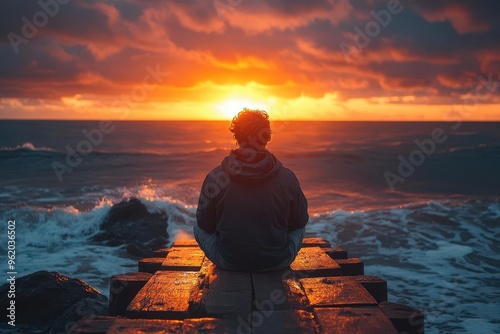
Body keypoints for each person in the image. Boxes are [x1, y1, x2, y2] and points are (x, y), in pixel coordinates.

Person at [194, 108, 308, 272]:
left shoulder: (215, 176)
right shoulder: (287, 177)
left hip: (230, 262)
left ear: (237, 136)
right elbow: (298, 222)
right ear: (267, 137)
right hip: (276, 262)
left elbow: (205, 224)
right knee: (300, 227)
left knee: (196, 228)